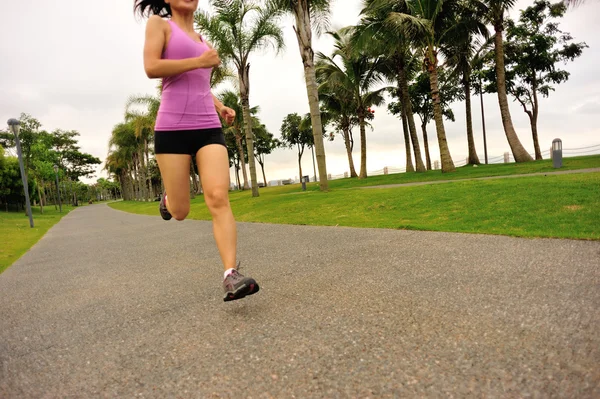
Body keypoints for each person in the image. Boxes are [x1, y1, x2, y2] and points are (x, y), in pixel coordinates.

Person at [134, 0, 259, 302]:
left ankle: (231, 274)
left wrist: (221, 107)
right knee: (180, 211)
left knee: (218, 196)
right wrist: (199, 61)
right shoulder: (159, 25)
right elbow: (152, 67)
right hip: (172, 129)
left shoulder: (204, 41)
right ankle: (168, 199)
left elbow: (200, 82)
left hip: (207, 127)